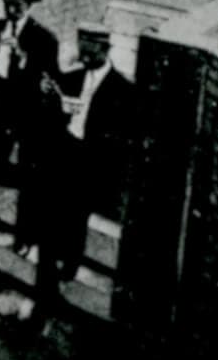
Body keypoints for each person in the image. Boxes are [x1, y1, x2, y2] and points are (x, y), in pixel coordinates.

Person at [17, 30, 137, 327]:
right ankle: (46, 292)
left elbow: (123, 138)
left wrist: (96, 133)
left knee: (74, 220)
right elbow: (47, 118)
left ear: (104, 49)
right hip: (62, 159)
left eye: (90, 50)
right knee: (48, 224)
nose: (84, 55)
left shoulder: (122, 89)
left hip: (89, 165)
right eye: (82, 48)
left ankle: (68, 267)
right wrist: (56, 106)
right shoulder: (71, 79)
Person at [0, 0, 62, 236]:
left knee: (25, 166)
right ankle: (0, 203)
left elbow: (49, 78)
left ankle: (29, 217)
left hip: (22, 110)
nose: (13, 8)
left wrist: (22, 58)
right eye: (9, 3)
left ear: (29, 6)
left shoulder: (44, 39)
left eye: (18, 4)